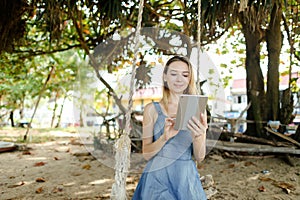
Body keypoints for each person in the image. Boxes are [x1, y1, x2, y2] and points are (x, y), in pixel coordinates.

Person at [132, 55, 207, 200]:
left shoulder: (196, 109)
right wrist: (164, 137)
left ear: (189, 79)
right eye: (173, 74)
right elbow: (146, 154)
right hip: (156, 177)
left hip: (184, 177)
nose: (179, 79)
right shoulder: (152, 109)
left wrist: (200, 136)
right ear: (165, 76)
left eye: (185, 75)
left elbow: (199, 157)